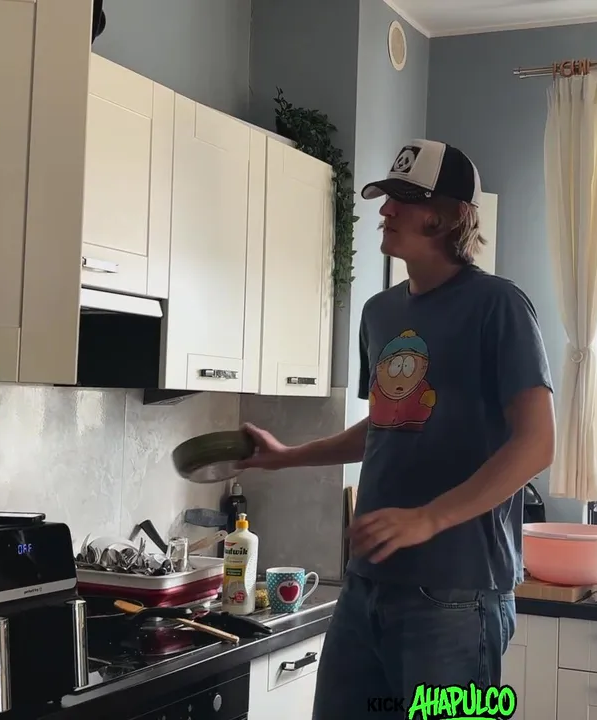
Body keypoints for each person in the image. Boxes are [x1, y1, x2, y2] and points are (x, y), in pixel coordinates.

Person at [237, 139, 555, 719]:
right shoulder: (379, 313)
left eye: (405, 200)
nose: (385, 210)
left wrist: (427, 518)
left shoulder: (499, 306)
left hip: (456, 594)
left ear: (452, 216)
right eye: (386, 198)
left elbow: (536, 444)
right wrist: (287, 455)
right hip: (368, 586)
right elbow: (387, 423)